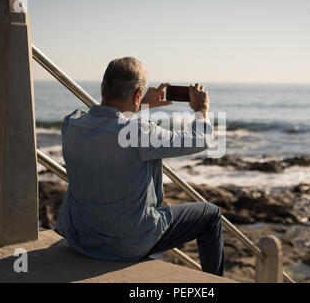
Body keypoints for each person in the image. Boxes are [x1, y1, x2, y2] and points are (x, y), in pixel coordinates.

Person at [56, 57, 224, 276]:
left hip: (82, 238)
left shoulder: (72, 123)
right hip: (126, 244)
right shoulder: (140, 132)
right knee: (210, 214)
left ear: (103, 87)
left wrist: (141, 105)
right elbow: (200, 140)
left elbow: (111, 124)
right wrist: (201, 109)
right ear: (137, 94)